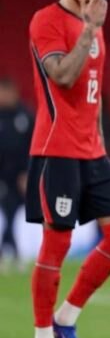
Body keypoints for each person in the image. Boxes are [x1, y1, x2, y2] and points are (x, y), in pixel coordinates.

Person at [25, 0, 110, 338]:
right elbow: (63, 77)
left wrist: (101, 142)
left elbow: (94, 93)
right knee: (57, 243)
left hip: (92, 150)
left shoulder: (95, 22)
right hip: (57, 149)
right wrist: (88, 27)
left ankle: (66, 318)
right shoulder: (48, 21)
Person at [0, 77, 34, 272]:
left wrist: (28, 173)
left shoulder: (26, 116)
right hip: (3, 177)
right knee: (9, 213)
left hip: (22, 177)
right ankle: (12, 252)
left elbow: (34, 148)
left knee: (16, 216)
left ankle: (11, 252)